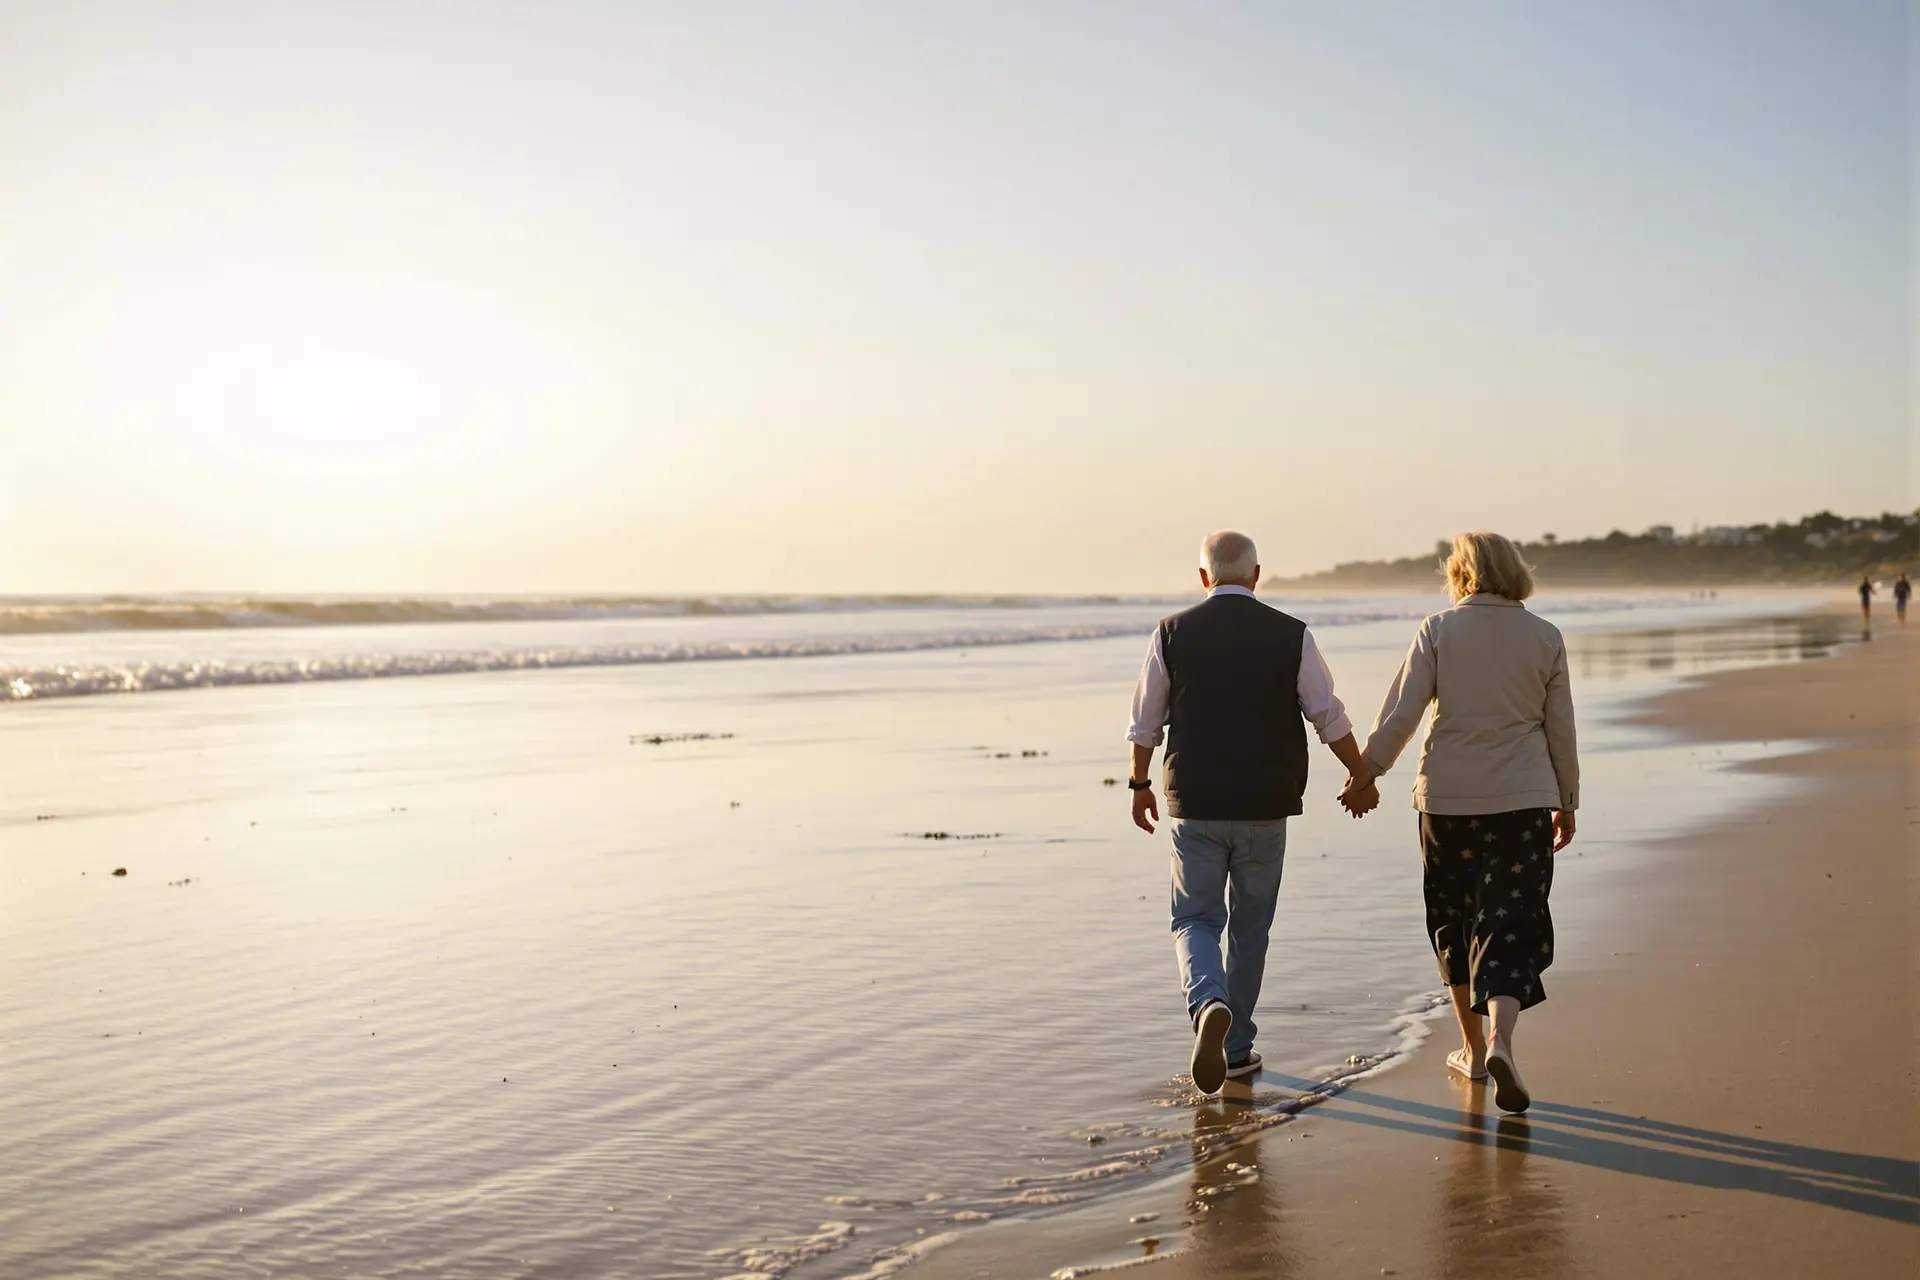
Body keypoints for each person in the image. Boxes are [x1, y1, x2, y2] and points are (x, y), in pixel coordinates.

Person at [1126, 530, 1376, 1095]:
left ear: (1203, 577)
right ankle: (1235, 1047)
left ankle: (1208, 1000)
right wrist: (1359, 775)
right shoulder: (1291, 634)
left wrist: (1140, 783)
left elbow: (1145, 720)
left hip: (1195, 802)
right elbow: (1328, 715)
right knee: (1251, 926)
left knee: (1194, 919)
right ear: (1257, 576)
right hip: (1267, 804)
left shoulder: (1171, 633)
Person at [1344, 532, 1578, 1115]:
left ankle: (1473, 1053)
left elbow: (1402, 712)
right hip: (1522, 801)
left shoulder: (1438, 630)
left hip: (1446, 801)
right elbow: (1561, 730)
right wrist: (1567, 800)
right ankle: (1501, 1039)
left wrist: (1367, 771)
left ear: (1461, 573)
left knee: (1454, 920)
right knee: (1510, 922)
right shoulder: (1545, 636)